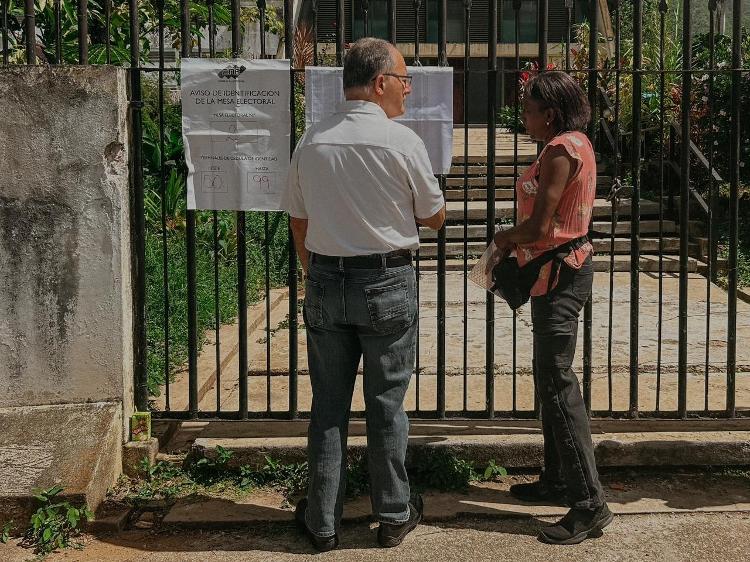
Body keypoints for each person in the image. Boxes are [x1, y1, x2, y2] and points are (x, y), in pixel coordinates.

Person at [281, 37, 446, 551]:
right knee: (386, 402)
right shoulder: (403, 143)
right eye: (403, 79)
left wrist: (316, 273)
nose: (407, 88)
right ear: (379, 83)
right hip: (387, 280)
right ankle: (393, 514)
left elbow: (298, 219)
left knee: (328, 405)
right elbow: (434, 218)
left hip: (328, 278)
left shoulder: (313, 139)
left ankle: (322, 521)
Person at [489, 71, 612, 545]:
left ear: (551, 114)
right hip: (558, 273)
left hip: (558, 274)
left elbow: (541, 225)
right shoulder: (575, 141)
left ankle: (589, 504)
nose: (524, 117)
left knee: (559, 385)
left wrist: (503, 238)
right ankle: (557, 479)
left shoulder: (561, 149)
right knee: (551, 379)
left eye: (528, 109)